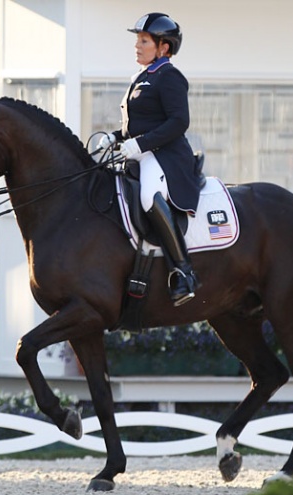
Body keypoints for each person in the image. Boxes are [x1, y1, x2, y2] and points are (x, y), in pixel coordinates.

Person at [99, 12, 201, 307]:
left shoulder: (169, 76)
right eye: (138, 40)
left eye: (144, 41)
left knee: (148, 196)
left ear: (163, 47)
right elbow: (141, 121)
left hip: (165, 156)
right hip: (142, 153)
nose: (137, 46)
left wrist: (139, 145)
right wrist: (116, 138)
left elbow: (179, 121)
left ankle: (183, 271)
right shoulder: (142, 77)